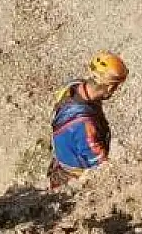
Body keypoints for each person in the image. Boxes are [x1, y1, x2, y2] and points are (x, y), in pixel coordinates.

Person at [47, 51, 128, 189]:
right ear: (110, 87)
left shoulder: (73, 87)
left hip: (62, 160)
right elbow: (101, 167)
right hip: (73, 180)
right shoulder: (85, 125)